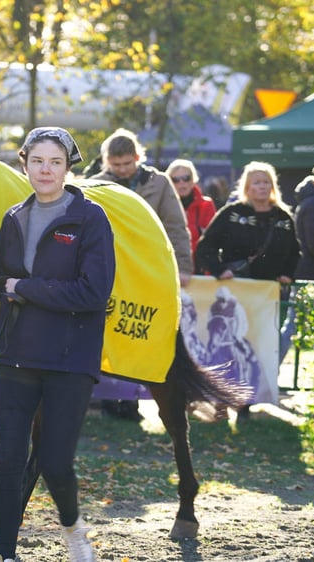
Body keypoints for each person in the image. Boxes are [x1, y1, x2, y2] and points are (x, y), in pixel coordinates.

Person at [0, 127, 114, 562]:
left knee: (54, 463)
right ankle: (5, 553)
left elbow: (93, 293)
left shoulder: (90, 218)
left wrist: (24, 288)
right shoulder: (13, 217)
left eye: (55, 162)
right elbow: (4, 280)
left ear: (68, 167)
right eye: (37, 161)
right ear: (24, 164)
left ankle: (73, 529)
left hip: (69, 361)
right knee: (8, 460)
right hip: (16, 354)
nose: (45, 170)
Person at [91, 128, 192, 423]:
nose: (122, 170)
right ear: (106, 162)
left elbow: (176, 226)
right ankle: (109, 399)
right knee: (113, 332)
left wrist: (183, 267)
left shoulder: (159, 183)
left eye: (127, 163)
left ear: (138, 157)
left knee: (142, 333)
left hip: (150, 270)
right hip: (114, 270)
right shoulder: (96, 184)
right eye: (116, 164)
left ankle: (134, 400)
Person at [195, 161, 300, 422]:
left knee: (256, 349)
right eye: (256, 182)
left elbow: (294, 252)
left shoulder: (283, 218)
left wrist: (287, 273)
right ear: (246, 187)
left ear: (273, 186)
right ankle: (220, 399)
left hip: (266, 297)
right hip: (234, 293)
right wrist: (220, 270)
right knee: (228, 345)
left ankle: (245, 404)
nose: (262, 187)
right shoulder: (232, 213)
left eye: (266, 182)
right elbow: (206, 247)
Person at [166, 158, 216, 265]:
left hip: (200, 265)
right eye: (175, 180)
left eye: (186, 178)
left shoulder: (206, 204)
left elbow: (212, 237)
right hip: (172, 263)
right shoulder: (164, 206)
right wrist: (197, 230)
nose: (181, 183)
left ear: (193, 180)